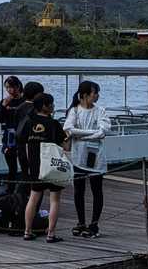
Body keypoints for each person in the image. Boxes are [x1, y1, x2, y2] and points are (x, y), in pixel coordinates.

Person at [64, 80, 110, 238]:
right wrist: (91, 133)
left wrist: (81, 135)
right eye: (94, 93)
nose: (97, 96)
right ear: (84, 95)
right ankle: (81, 222)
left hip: (96, 156)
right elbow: (68, 129)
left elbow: (103, 131)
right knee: (79, 191)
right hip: (79, 156)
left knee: (97, 190)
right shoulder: (74, 110)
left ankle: (94, 224)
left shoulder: (100, 111)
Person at [21, 93, 69, 242]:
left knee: (33, 198)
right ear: (45, 106)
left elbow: (24, 143)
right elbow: (65, 145)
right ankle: (51, 234)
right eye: (51, 104)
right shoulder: (53, 124)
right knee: (55, 199)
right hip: (52, 165)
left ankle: (27, 231)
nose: (53, 106)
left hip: (35, 165)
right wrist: (68, 135)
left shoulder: (29, 122)